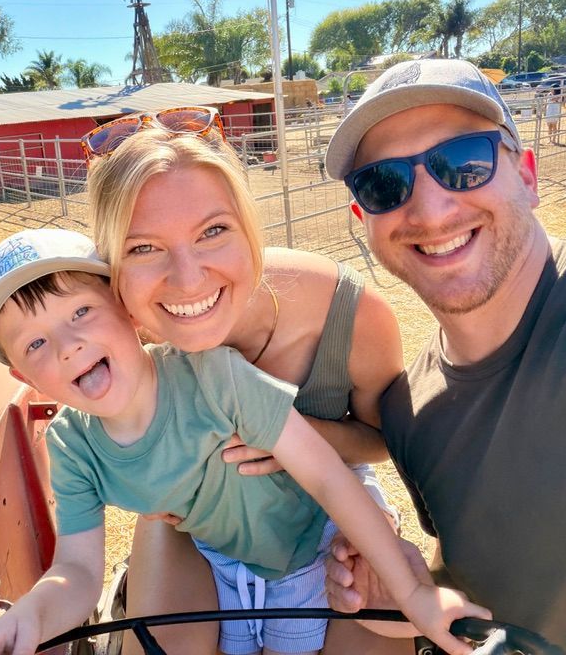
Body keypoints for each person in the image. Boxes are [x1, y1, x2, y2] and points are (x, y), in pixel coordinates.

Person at [321, 57, 566, 654]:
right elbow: (485, 583)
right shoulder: (407, 414)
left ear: (527, 175)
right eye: (384, 183)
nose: (429, 210)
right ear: (363, 219)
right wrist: (402, 599)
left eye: (463, 162)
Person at [0, 228, 489, 655]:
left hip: (315, 540)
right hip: (223, 558)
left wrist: (412, 591)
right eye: (35, 342)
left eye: (80, 312)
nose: (68, 345)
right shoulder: (73, 449)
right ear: (23, 375)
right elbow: (76, 570)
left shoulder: (215, 377)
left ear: (127, 310)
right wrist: (33, 613)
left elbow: (327, 475)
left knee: (374, 624)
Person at [83, 109, 410, 655]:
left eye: (212, 231)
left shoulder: (351, 315)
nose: (187, 279)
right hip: (195, 517)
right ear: (114, 264)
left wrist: (290, 438)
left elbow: (384, 441)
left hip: (330, 506)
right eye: (143, 247)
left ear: (249, 228)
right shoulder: (115, 332)